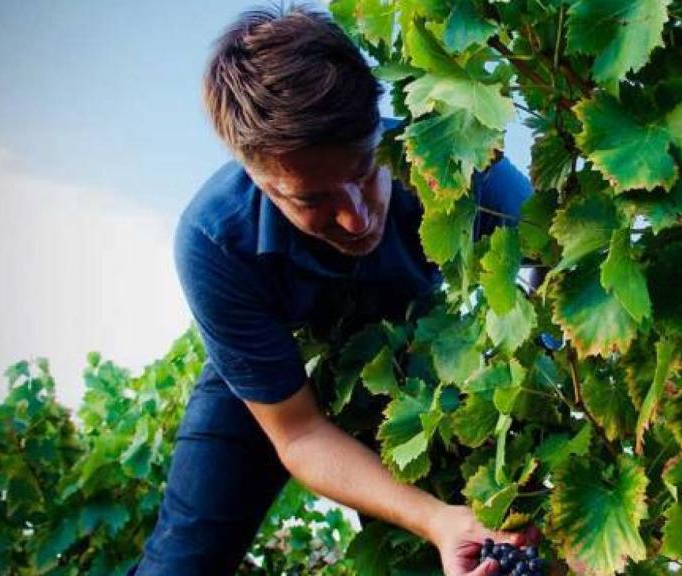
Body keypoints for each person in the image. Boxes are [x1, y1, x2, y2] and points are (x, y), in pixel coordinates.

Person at [127, 5, 536, 575]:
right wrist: (434, 517)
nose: (357, 218)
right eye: (312, 200)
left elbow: (557, 260)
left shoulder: (458, 162)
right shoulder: (214, 239)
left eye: (366, 169)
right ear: (260, 179)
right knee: (183, 563)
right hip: (277, 385)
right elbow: (297, 434)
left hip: (411, 361)